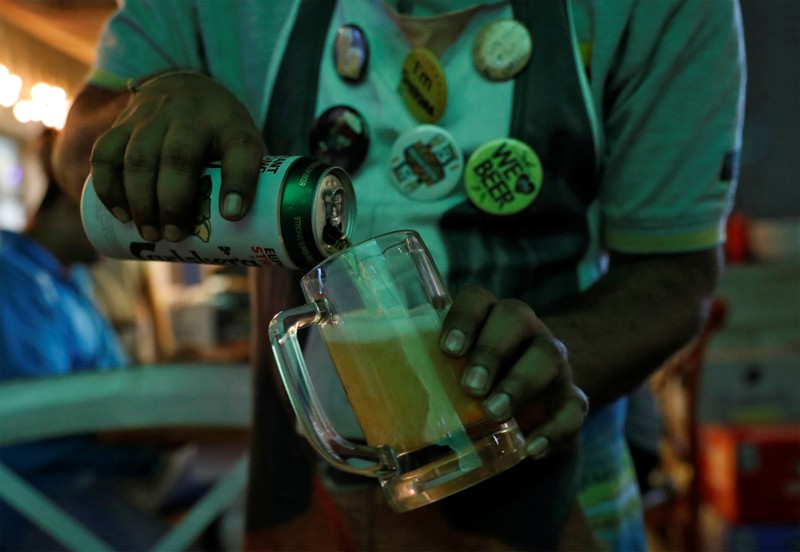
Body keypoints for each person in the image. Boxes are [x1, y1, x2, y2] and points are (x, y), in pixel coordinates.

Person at [52, 0, 746, 550]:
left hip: (559, 507)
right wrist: (148, 108)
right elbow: (79, 153)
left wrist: (553, 357)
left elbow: (673, 270)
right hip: (302, 507)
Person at [0, 129, 167, 550]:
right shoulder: (10, 280)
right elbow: (37, 423)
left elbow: (108, 382)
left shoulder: (70, 280)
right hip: (34, 502)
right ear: (77, 203)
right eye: (117, 218)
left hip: (91, 482)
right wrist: (154, 433)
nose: (127, 235)